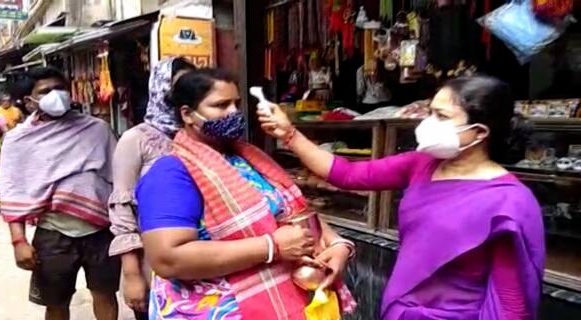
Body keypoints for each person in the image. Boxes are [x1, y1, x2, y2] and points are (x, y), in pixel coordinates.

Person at [258, 76, 545, 319]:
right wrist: (290, 134)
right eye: (430, 112)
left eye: (441, 117)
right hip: (402, 309)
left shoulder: (509, 204)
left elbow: (510, 303)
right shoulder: (422, 164)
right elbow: (347, 174)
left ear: (479, 132)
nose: (428, 123)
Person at [137, 68, 357, 319]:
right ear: (188, 114)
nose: (233, 112)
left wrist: (338, 245)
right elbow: (167, 258)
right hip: (218, 308)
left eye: (236, 103)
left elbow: (290, 211)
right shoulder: (170, 174)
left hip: (287, 300)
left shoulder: (248, 158)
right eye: (221, 105)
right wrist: (271, 246)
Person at [0, 67, 120, 320]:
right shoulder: (18, 141)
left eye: (60, 88)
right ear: (30, 101)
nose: (56, 95)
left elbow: (117, 180)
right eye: (45, 91)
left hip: (101, 231)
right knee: (55, 303)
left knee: (106, 294)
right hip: (54, 234)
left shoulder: (97, 129)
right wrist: (18, 241)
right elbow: (13, 191)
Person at [109, 57, 195, 320]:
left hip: (201, 254)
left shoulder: (199, 133)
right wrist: (132, 273)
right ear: (161, 88)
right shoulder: (136, 139)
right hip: (153, 257)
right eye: (179, 85)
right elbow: (121, 207)